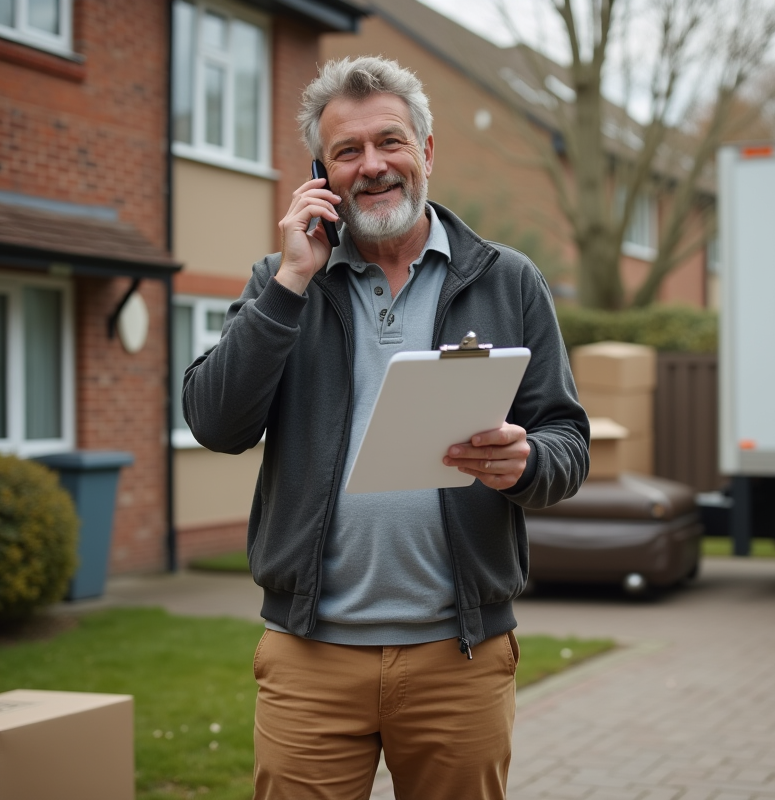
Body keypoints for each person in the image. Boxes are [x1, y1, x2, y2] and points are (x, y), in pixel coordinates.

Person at [182, 56, 590, 800]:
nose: (372, 166)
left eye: (390, 142)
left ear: (426, 152)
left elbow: (568, 439)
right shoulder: (281, 283)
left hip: (460, 655)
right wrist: (292, 281)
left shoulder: (507, 280)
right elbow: (215, 422)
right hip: (310, 655)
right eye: (348, 151)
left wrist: (528, 461)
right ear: (321, 172)